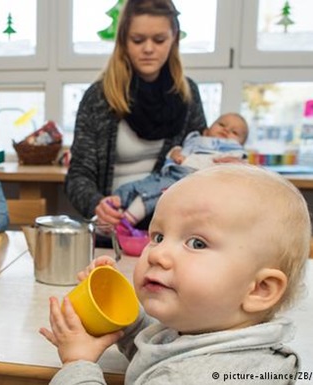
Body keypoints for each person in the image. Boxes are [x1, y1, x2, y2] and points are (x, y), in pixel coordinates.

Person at [40, 164, 310, 385]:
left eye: (197, 243)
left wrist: (77, 365)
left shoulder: (187, 378)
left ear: (260, 289)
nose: (157, 254)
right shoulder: (221, 335)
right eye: (157, 236)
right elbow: (163, 350)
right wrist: (121, 318)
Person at [65, 0, 207, 232]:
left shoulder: (188, 95)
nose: (148, 49)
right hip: (111, 233)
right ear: (122, 41)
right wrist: (96, 205)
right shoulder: (99, 97)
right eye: (138, 40)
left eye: (159, 40)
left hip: (171, 234)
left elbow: (201, 164)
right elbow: (79, 176)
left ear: (174, 40)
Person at [112, 112, 249, 225]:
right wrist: (175, 152)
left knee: (153, 194)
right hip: (169, 172)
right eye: (222, 124)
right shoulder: (195, 138)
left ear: (241, 143)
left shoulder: (234, 151)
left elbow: (240, 169)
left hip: (190, 179)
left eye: (234, 132)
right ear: (206, 131)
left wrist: (236, 167)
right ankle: (112, 206)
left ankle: (126, 222)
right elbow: (178, 149)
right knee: (136, 186)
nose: (226, 130)